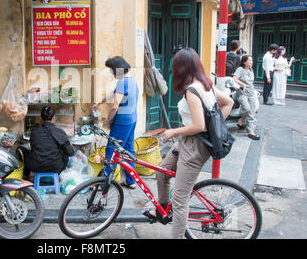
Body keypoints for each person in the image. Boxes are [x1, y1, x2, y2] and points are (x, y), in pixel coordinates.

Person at [141, 47, 233, 239]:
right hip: (187, 141)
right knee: (161, 173)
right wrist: (214, 129)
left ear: (181, 68)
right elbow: (229, 102)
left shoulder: (193, 90)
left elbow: (199, 125)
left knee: (180, 200)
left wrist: (175, 131)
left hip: (194, 147)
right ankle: (162, 211)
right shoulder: (206, 84)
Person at [93, 56, 139, 189]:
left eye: (111, 70)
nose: (111, 73)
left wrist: (109, 120)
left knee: (111, 150)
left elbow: (115, 105)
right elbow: (112, 94)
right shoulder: (131, 81)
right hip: (132, 120)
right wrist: (99, 102)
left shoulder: (121, 83)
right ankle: (131, 181)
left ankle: (104, 183)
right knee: (129, 149)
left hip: (122, 122)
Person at [21, 106, 75, 176]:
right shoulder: (59, 132)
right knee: (64, 152)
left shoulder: (34, 132)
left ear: (41, 118)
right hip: (55, 167)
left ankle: (26, 176)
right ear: (53, 118)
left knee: (21, 149)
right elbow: (71, 152)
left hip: (35, 166)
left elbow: (33, 146)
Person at [233, 55, 260, 140]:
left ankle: (250, 131)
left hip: (251, 93)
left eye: (252, 61)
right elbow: (234, 78)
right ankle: (242, 119)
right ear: (244, 62)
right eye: (249, 61)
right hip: (242, 92)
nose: (251, 62)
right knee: (246, 108)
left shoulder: (251, 70)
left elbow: (251, 83)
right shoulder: (240, 70)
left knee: (252, 111)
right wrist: (242, 84)